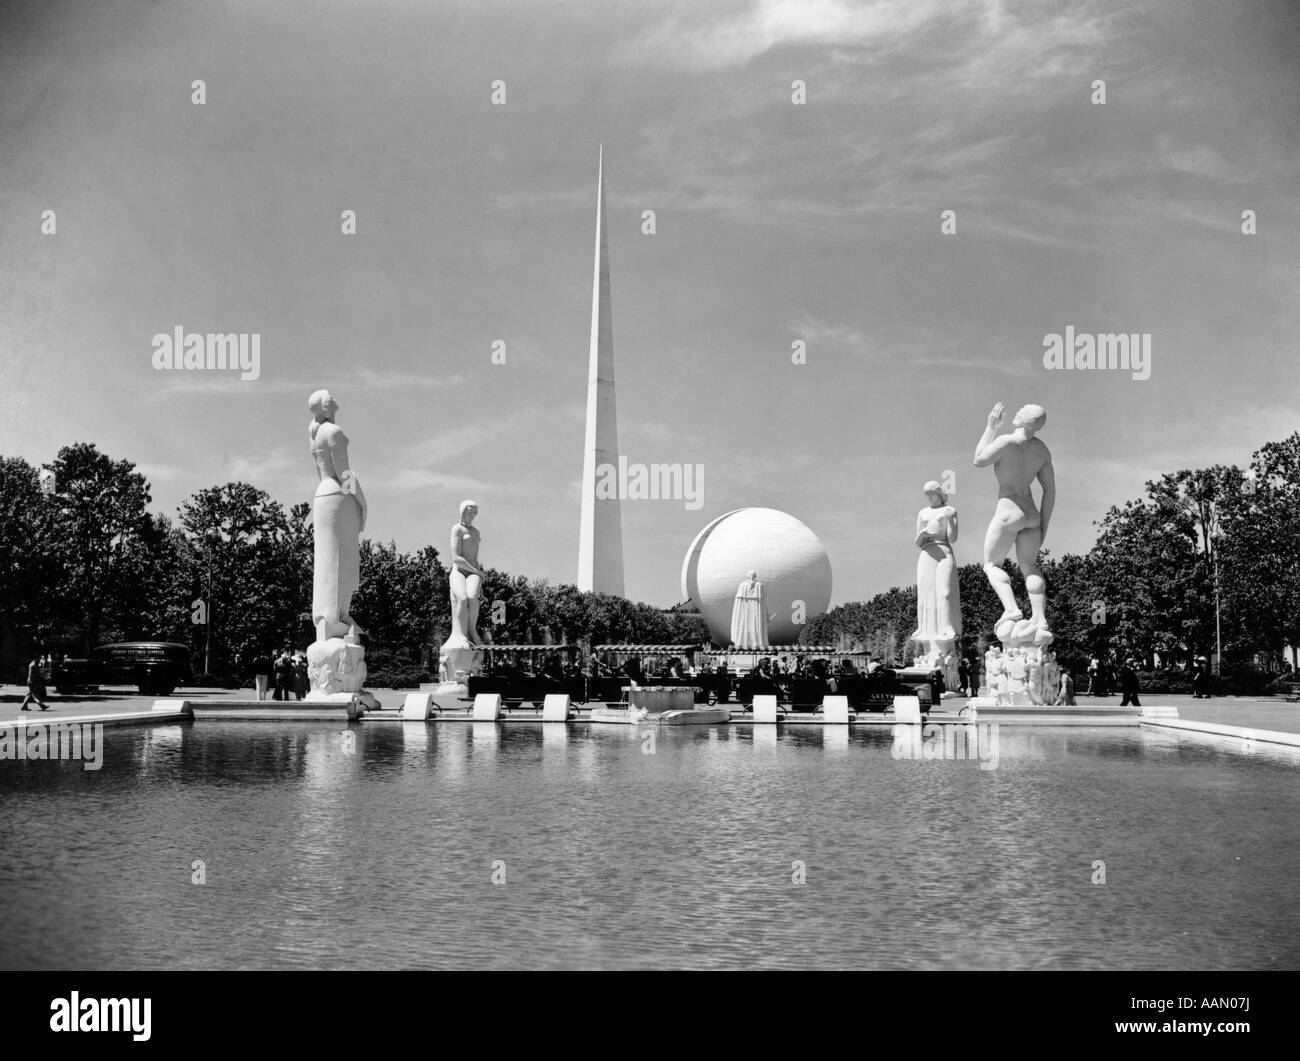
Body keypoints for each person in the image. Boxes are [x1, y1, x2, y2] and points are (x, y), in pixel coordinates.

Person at [973, 402, 1055, 644]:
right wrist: (1043, 527)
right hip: (1032, 514)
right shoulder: (1042, 450)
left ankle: (1011, 609)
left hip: (1009, 510)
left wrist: (991, 427)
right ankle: (1039, 618)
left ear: (1022, 418)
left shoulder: (1008, 442)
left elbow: (978, 460)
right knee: (1030, 567)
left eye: (1019, 411)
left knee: (991, 565)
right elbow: (1049, 491)